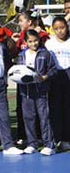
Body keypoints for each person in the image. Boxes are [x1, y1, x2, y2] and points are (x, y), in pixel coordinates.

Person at [17, 29, 56, 156]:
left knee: (44, 117)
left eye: (35, 41)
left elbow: (53, 69)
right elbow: (18, 71)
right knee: (29, 117)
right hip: (26, 92)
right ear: (25, 42)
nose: (33, 44)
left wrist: (44, 77)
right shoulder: (22, 55)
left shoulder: (45, 54)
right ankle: (32, 143)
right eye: (30, 41)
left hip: (41, 91)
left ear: (39, 40)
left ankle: (49, 144)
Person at [45, 16, 70, 151]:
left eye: (62, 28)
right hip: (54, 77)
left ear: (67, 27)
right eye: (56, 29)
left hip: (69, 75)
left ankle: (67, 139)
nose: (60, 31)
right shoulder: (49, 44)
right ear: (53, 30)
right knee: (54, 108)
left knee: (67, 108)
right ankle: (55, 139)